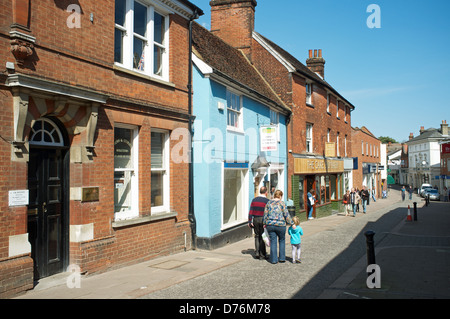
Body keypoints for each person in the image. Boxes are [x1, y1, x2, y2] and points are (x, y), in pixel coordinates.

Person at [263, 190, 293, 264]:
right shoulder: (282, 203)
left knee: (273, 241)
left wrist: (264, 223)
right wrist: (292, 223)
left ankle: (273, 259)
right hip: (281, 225)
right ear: (280, 196)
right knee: (282, 240)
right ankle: (282, 258)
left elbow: (265, 213)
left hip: (270, 224)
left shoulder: (269, 203)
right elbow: (286, 214)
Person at [248, 186, 269, 260]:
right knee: (263, 236)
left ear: (260, 191)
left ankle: (257, 252)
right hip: (263, 219)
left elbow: (251, 211)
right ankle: (262, 255)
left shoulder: (254, 200)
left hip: (255, 219)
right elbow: (268, 212)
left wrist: (250, 221)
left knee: (257, 236)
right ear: (266, 192)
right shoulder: (267, 201)